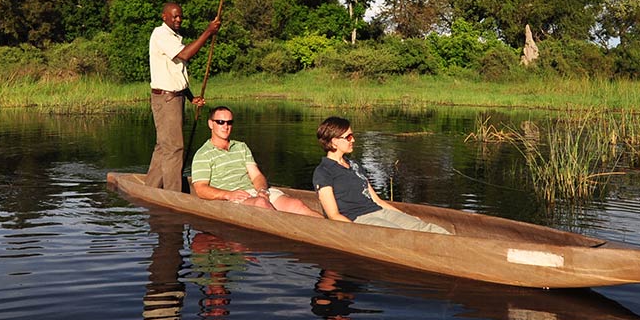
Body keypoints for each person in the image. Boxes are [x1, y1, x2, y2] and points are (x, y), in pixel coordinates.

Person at [312, 116, 450, 234]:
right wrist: (355, 232)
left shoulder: (354, 165)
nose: (353, 140)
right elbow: (333, 215)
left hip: (379, 212)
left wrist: (404, 215)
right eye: (348, 137)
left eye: (352, 136)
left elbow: (377, 201)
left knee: (426, 228)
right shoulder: (324, 172)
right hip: (358, 219)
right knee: (397, 233)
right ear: (334, 141)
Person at [190, 107, 322, 216]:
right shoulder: (203, 154)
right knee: (261, 205)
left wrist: (262, 190)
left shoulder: (241, 147)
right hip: (233, 198)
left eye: (229, 122)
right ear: (210, 124)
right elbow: (201, 189)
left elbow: (257, 175)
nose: (225, 126)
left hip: (256, 192)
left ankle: (336, 228)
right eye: (220, 122)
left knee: (296, 205)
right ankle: (290, 231)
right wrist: (228, 194)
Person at [146, 1, 220, 191]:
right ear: (164, 17)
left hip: (175, 97)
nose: (178, 19)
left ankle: (151, 188)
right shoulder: (161, 34)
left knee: (164, 146)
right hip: (166, 99)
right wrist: (208, 32)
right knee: (174, 148)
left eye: (180, 16)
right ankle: (173, 194)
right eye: (174, 16)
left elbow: (176, 71)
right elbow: (185, 55)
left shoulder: (174, 36)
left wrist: (190, 96)